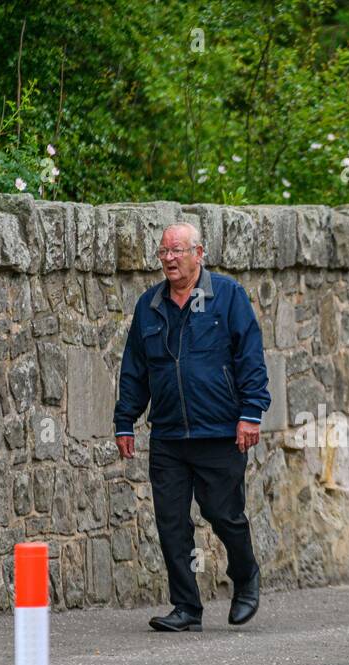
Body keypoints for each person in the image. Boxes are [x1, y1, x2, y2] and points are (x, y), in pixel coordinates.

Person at [113, 223, 270, 631]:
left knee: (223, 513)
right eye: (163, 252)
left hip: (219, 430)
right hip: (168, 435)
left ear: (199, 253)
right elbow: (135, 368)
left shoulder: (228, 296)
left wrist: (251, 413)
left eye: (177, 250)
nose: (168, 258)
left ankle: (245, 575)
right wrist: (125, 420)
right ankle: (186, 607)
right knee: (170, 521)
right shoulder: (149, 306)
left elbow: (250, 358)